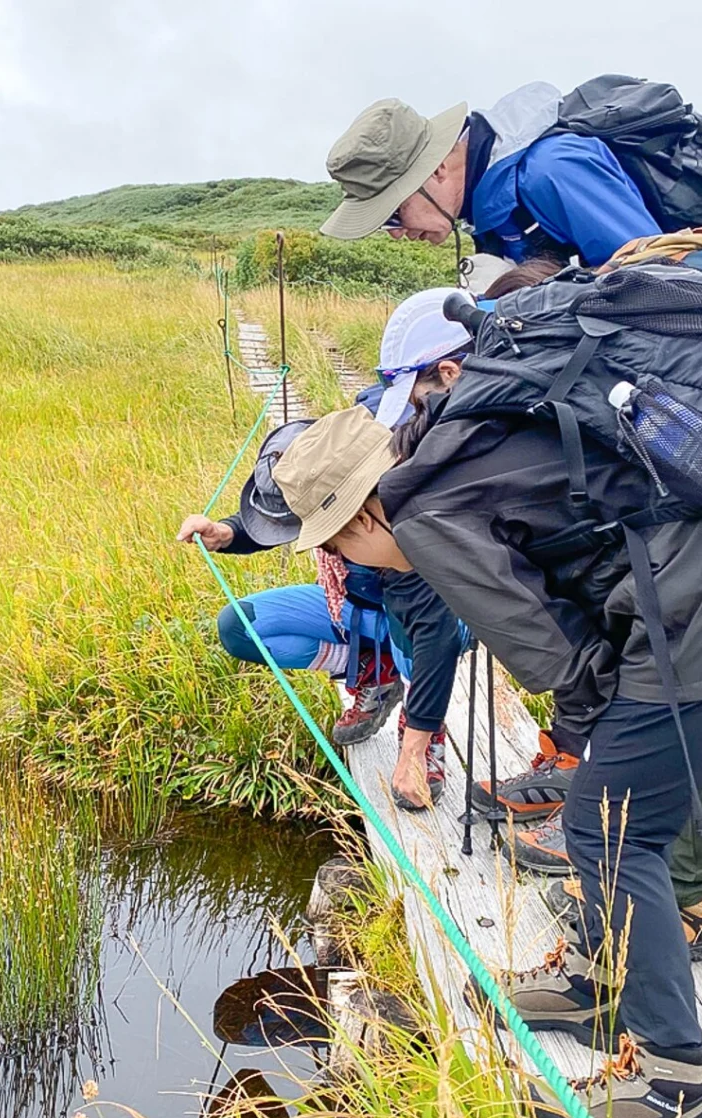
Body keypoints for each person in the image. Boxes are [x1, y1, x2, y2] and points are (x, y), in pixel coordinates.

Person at [271, 396, 702, 1118]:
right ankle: (596, 980)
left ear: (361, 521)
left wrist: (589, 740)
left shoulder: (428, 521)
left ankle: (675, 1097)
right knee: (603, 815)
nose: (347, 562)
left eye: (339, 546)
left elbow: (564, 667)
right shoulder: (454, 461)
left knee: (611, 832)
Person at [177, 288, 477, 810]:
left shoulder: (413, 494)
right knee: (238, 625)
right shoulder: (352, 441)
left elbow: (436, 630)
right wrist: (228, 532)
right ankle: (374, 673)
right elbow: (304, 510)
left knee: (423, 636)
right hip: (357, 607)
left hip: (427, 610)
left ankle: (417, 720)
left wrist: (414, 748)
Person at [321, 86, 661, 267]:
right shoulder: (489, 210)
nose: (396, 234)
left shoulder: (551, 170)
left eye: (393, 213)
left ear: (436, 168)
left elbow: (657, 277)